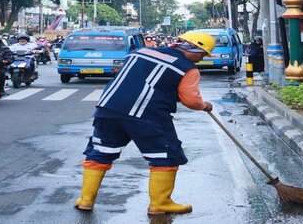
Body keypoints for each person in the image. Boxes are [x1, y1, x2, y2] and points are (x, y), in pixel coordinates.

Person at [74, 31, 215, 215]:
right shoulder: (187, 68)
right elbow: (191, 100)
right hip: (147, 115)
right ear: (194, 49)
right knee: (165, 156)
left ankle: (86, 200)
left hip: (108, 109)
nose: (200, 59)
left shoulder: (139, 52)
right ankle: (160, 203)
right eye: (202, 55)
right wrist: (204, 105)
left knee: (100, 153)